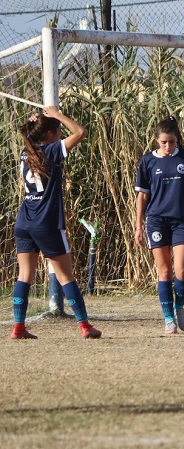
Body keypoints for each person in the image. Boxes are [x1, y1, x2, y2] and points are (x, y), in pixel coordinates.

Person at [10, 105, 101, 339]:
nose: (60, 133)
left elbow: (35, 136)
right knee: (66, 276)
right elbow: (80, 132)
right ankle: (84, 326)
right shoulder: (50, 151)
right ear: (49, 134)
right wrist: (57, 115)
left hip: (24, 222)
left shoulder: (26, 150)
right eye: (58, 130)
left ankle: (18, 327)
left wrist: (38, 122)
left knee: (24, 275)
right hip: (46, 223)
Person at [134, 116, 184, 334]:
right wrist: (138, 226)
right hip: (156, 220)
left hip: (182, 220)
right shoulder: (148, 161)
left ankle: (179, 308)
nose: (168, 146)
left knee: (182, 270)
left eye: (172, 142)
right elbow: (142, 196)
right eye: (164, 142)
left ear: (178, 140)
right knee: (164, 271)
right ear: (157, 140)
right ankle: (168, 318)